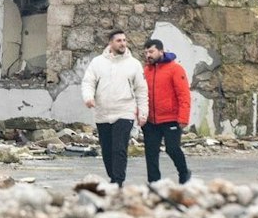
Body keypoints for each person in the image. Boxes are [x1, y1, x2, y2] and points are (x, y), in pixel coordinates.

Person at [81, 29, 147, 186]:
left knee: (119, 148)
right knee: (107, 150)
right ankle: (113, 177)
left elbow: (141, 90)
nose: (123, 43)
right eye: (119, 41)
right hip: (102, 112)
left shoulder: (134, 64)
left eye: (124, 40)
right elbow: (88, 82)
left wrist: (143, 113)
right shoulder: (98, 62)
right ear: (110, 43)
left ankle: (118, 181)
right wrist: (88, 97)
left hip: (124, 111)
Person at [141, 37, 192, 184]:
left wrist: (183, 118)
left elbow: (184, 94)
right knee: (151, 152)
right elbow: (141, 94)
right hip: (151, 120)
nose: (148, 55)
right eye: (145, 53)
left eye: (151, 51)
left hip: (171, 118)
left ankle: (184, 172)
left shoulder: (175, 69)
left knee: (172, 148)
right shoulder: (146, 71)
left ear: (161, 51)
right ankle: (154, 182)